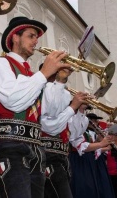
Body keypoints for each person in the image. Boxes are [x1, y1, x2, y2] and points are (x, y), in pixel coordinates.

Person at [0, 16, 73, 198]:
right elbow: (13, 100)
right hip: (10, 143)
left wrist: (60, 80)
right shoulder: (0, 63)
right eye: (31, 36)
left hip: (36, 147)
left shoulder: (33, 76)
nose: (35, 41)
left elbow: (51, 112)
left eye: (36, 38)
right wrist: (44, 73)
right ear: (15, 37)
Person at [40, 67, 87, 198]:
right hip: (47, 155)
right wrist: (73, 107)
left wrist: (80, 110)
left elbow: (75, 133)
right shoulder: (43, 91)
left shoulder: (64, 96)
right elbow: (50, 126)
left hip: (63, 158)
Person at [69, 109, 114, 198]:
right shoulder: (74, 128)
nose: (96, 123)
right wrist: (101, 144)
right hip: (79, 161)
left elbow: (90, 146)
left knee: (92, 188)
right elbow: (81, 147)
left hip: (87, 161)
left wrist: (98, 140)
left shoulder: (86, 133)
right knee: (84, 188)